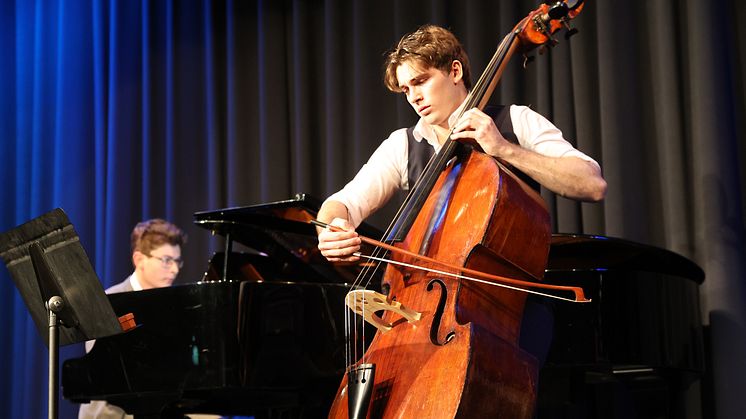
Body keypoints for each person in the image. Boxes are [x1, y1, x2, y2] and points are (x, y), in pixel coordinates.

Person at [315, 25, 606, 366]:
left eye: (421, 81)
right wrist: (332, 226)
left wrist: (503, 149)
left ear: (454, 71)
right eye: (406, 89)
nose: (414, 98)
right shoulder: (403, 145)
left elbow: (591, 184)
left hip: (510, 312)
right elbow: (342, 203)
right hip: (425, 317)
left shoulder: (516, 121)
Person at [78, 218, 186, 419]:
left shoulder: (174, 306)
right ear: (139, 259)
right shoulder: (109, 303)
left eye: (177, 261)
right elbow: (105, 374)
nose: (175, 269)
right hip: (112, 412)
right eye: (166, 260)